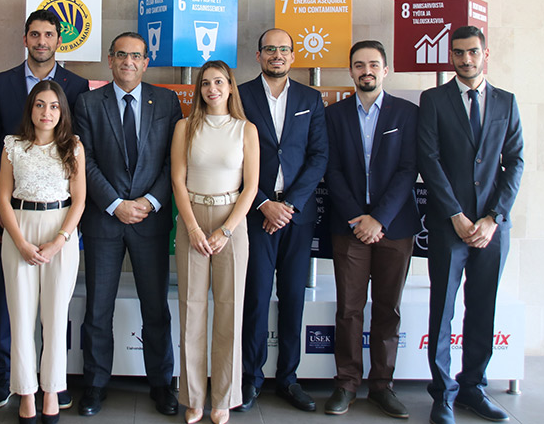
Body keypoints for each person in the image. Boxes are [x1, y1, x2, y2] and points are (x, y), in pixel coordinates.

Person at [0, 9, 89, 409]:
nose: (42, 41)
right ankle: (8, 376)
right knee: (12, 304)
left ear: (59, 39)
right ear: (25, 39)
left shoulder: (77, 86)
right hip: (14, 216)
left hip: (59, 217)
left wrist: (64, 235)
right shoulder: (2, 83)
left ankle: (52, 384)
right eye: (35, 34)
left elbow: (77, 160)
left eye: (49, 34)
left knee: (55, 312)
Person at [418, 26, 523, 424]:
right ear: (451, 56)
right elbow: (429, 160)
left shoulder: (506, 102)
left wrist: (493, 217)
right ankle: (442, 394)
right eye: (459, 53)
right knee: (442, 309)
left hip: (492, 229)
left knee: (483, 308)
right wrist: (456, 215)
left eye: (473, 52)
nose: (466, 59)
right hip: (450, 225)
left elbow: (515, 162)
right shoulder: (433, 100)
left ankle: (473, 388)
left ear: (485, 54)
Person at [74, 32, 182, 418]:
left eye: (136, 56)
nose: (128, 62)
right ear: (110, 60)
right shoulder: (88, 102)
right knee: (97, 307)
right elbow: (83, 160)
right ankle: (95, 384)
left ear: (146, 61)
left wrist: (150, 201)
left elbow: (174, 160)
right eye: (121, 55)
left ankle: (161, 383)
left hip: (150, 220)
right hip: (104, 220)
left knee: (156, 307)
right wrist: (115, 204)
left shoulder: (166, 101)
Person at [323, 41, 420, 418]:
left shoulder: (407, 114)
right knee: (348, 310)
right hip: (349, 228)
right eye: (360, 65)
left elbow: (408, 169)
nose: (367, 71)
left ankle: (382, 385)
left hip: (394, 228)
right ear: (350, 71)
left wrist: (378, 218)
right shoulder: (334, 115)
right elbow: (330, 170)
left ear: (386, 70)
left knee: (387, 309)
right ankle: (346, 384)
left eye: (374, 64)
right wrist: (357, 217)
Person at [236, 28, 328, 413]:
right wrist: (262, 203)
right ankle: (251, 378)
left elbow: (319, 156)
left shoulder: (310, 98)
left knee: (293, 297)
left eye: (284, 49)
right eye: (270, 49)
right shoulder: (239, 95)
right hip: (254, 214)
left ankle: (289, 378)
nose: (277, 55)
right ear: (258, 55)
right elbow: (232, 156)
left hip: (296, 216)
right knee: (255, 298)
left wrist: (288, 205)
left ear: (293, 56)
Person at [171, 61, 260, 424]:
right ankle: (194, 397)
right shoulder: (185, 126)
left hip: (231, 221)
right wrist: (192, 228)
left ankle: (224, 397)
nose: (212, 89)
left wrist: (226, 230)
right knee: (191, 310)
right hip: (192, 217)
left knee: (230, 310)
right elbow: (177, 180)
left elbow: (251, 187)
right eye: (206, 83)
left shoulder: (246, 129)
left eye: (219, 82)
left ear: (230, 86)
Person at [0, 81, 86, 424]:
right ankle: (25, 393)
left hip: (59, 232)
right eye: (39, 105)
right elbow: (3, 198)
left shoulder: (73, 147)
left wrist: (60, 241)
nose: (46, 112)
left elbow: (79, 200)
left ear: (62, 111)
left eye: (53, 106)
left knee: (55, 318)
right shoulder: (13, 145)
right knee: (20, 318)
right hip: (20, 230)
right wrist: (20, 242)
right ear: (30, 109)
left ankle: (51, 391)